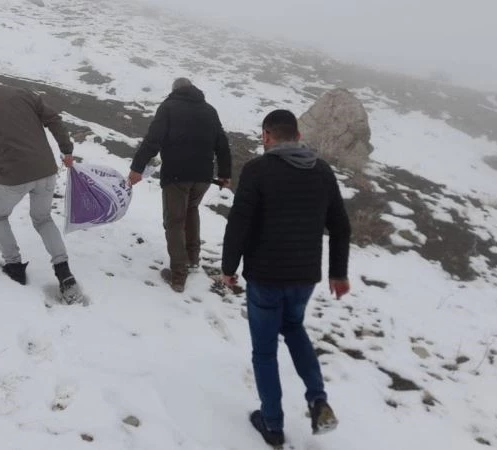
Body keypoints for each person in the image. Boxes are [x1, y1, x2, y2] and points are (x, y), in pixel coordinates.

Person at [221, 109, 351, 445]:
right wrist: (338, 272)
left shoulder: (257, 170)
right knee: (293, 327)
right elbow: (340, 226)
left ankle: (272, 424)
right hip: (304, 277)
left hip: (265, 276)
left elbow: (239, 224)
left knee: (265, 352)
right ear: (298, 136)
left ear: (266, 135)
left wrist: (228, 268)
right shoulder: (322, 171)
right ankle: (318, 401)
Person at [0, 62, 83, 303]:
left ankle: (14, 266)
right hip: (45, 169)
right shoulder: (23, 93)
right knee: (43, 219)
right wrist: (66, 149)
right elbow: (53, 119)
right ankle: (65, 274)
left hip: (11, 176)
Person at [128, 78, 232, 293]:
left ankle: (178, 275)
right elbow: (222, 143)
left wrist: (137, 168)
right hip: (203, 176)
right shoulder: (209, 110)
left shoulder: (168, 107)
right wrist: (225, 173)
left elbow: (153, 140)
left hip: (177, 175)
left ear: (174, 90)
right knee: (191, 211)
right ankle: (192, 259)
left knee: (174, 221)